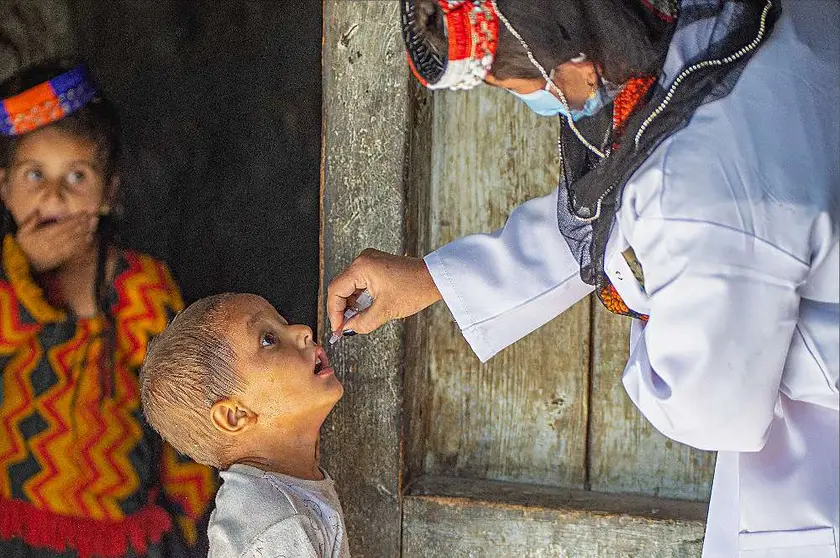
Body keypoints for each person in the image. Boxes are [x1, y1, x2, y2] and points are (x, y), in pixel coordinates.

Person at [328, 0, 839, 556]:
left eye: (517, 81)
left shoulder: (696, 195)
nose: (529, 99)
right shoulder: (717, 31)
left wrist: (643, 307)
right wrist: (433, 278)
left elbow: (710, 408)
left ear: (568, 51)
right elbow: (618, 208)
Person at [0, 59, 216, 558]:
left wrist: (184, 519)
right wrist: (25, 268)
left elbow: (184, 409)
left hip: (123, 538)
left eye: (77, 175)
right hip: (14, 528)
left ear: (109, 192)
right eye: (34, 175)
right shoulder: (6, 281)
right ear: (5, 189)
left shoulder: (143, 285)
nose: (54, 196)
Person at [139, 293, 350, 558]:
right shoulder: (275, 522)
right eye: (268, 340)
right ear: (234, 416)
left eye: (282, 323)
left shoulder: (275, 500)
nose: (303, 331)